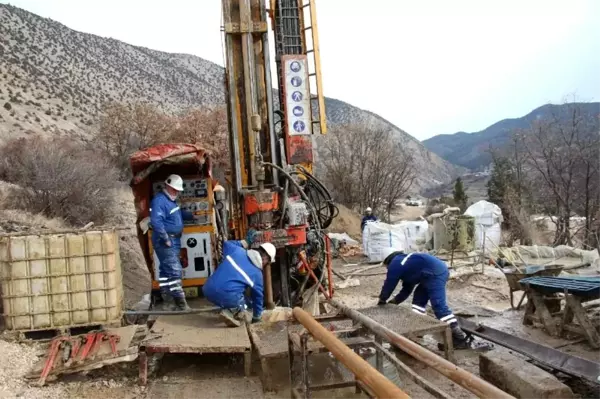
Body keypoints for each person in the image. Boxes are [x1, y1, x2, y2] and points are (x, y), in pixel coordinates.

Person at [376, 250, 472, 349]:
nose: (388, 269)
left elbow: (389, 283)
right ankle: (419, 330)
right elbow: (406, 290)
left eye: (387, 267)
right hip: (428, 275)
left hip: (435, 273)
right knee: (418, 302)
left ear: (389, 262)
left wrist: (382, 299)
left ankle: (459, 338)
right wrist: (394, 302)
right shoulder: (408, 265)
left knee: (439, 306)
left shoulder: (395, 263)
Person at [202, 229, 276, 327]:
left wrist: (244, 242)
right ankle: (230, 311)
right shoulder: (257, 275)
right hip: (225, 295)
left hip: (207, 289)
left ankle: (227, 306)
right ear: (266, 259)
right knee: (246, 306)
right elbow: (258, 298)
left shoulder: (237, 251)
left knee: (237, 294)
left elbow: (226, 244)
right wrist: (257, 317)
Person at [150, 174, 195, 311]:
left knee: (165, 271)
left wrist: (191, 216)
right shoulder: (159, 201)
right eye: (174, 189)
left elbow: (176, 214)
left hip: (173, 239)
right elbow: (156, 222)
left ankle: (167, 300)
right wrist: (165, 238)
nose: (176, 192)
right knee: (175, 270)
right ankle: (181, 303)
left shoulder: (171, 200)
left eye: (178, 190)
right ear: (167, 186)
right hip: (165, 240)